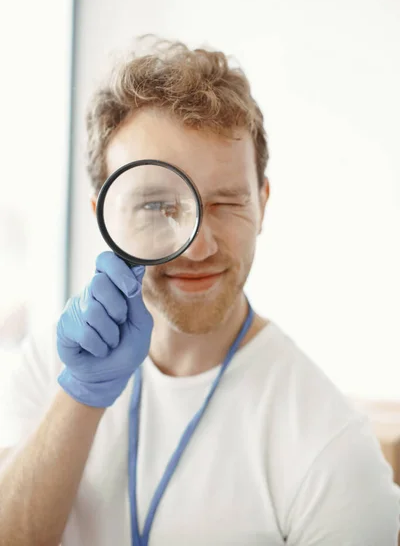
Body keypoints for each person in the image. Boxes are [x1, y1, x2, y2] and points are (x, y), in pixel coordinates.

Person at [0, 39, 398, 546]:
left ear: (263, 203)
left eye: (227, 202)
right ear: (105, 212)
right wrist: (80, 396)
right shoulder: (44, 371)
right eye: (155, 205)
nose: (198, 247)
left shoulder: (331, 449)